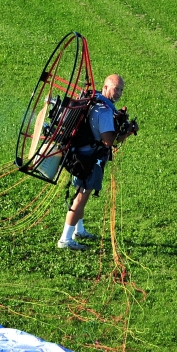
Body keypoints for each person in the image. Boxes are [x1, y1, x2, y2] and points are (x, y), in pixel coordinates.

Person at [57, 74, 133, 250]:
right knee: (80, 199)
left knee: (80, 195)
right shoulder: (104, 112)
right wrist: (128, 132)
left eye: (121, 89)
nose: (119, 93)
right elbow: (110, 141)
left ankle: (79, 230)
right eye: (116, 88)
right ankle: (65, 239)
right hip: (89, 160)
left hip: (79, 156)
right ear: (106, 87)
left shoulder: (95, 101)